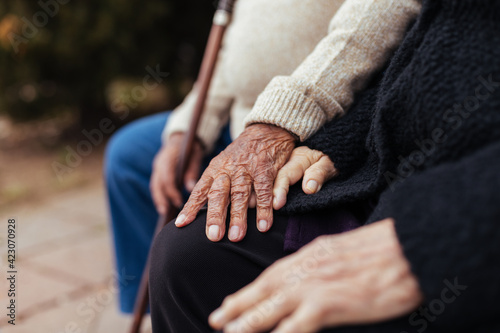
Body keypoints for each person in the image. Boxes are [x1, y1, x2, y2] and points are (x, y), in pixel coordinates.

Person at [149, 0, 500, 332]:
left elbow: (378, 28)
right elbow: (415, 63)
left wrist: (433, 235)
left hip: (461, 206)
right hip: (379, 155)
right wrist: (337, 143)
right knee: (186, 251)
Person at [105, 0, 421, 313]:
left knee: (186, 250)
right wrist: (189, 130)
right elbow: (228, 54)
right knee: (129, 157)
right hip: (241, 117)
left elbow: (376, 19)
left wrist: (281, 120)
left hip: (315, 121)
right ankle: (153, 310)